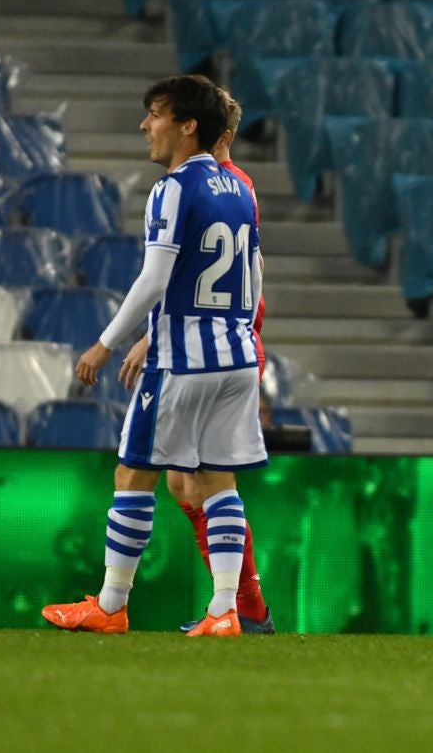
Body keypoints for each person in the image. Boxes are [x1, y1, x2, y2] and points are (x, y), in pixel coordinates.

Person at [42, 74, 266, 638]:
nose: (146, 126)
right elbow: (256, 278)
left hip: (184, 359)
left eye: (156, 115)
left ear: (188, 126)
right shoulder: (240, 188)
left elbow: (153, 279)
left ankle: (112, 604)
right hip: (237, 357)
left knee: (133, 473)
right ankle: (224, 613)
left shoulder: (173, 187)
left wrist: (106, 342)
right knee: (220, 483)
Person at [117, 88, 274, 635]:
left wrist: (129, 338)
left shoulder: (207, 188)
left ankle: (241, 608)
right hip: (229, 348)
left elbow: (246, 286)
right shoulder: (237, 190)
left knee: (190, 483)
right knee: (193, 485)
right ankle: (234, 606)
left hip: (205, 352)